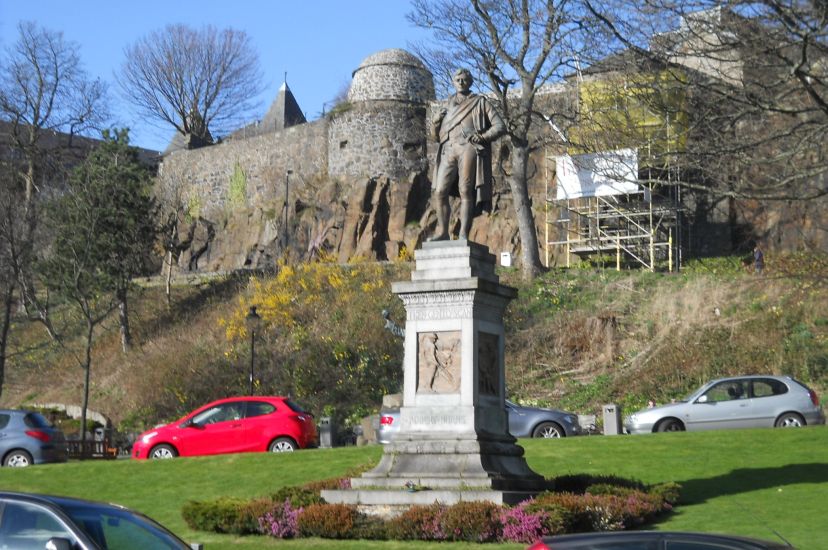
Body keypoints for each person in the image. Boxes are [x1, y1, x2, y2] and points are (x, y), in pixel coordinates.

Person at [429, 68, 506, 241]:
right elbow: (436, 138)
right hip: (448, 149)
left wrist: (482, 136)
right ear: (453, 82)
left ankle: (463, 233)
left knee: (465, 190)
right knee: (440, 191)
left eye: (464, 79)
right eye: (458, 79)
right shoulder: (447, 104)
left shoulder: (479, 102)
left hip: (468, 147)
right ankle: (442, 232)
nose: (461, 82)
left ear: (470, 82)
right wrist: (435, 122)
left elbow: (500, 126)